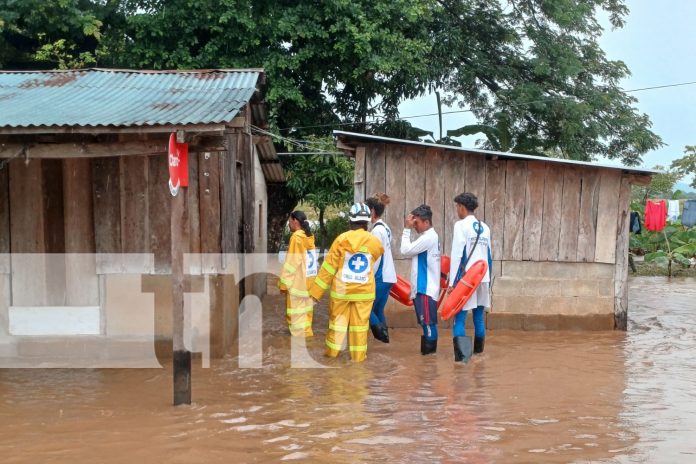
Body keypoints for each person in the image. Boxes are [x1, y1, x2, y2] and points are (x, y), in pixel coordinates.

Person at [309, 203, 384, 362]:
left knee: (337, 327)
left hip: (341, 293)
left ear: (350, 221)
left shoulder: (341, 240)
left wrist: (315, 295)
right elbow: (376, 257)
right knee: (359, 329)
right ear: (367, 221)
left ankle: (331, 358)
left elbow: (328, 269)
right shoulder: (374, 242)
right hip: (364, 293)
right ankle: (358, 362)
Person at [447, 193, 492, 362]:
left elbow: (457, 254)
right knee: (479, 317)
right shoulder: (485, 227)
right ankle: (479, 356)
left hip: (467, 280)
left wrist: (452, 283)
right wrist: (488, 279)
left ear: (461, 207)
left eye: (457, 207)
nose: (457, 211)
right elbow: (489, 256)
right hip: (483, 278)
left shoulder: (460, 225)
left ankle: (462, 362)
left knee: (460, 318)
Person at [400, 204, 441, 355]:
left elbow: (405, 250)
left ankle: (429, 365)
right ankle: (428, 366)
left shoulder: (428, 238)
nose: (414, 225)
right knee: (427, 324)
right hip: (425, 288)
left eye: (416, 222)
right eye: (413, 223)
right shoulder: (430, 237)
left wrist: (406, 229)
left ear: (426, 222)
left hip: (425, 289)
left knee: (428, 325)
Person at [278, 210, 317, 337]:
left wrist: (283, 285)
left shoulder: (296, 238)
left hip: (298, 284)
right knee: (306, 318)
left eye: (289, 221)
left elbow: (292, 263)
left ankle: (298, 349)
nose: (288, 224)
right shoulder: (309, 237)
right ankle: (307, 342)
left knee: (296, 319)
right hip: (309, 283)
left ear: (295, 221)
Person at [365, 193, 396, 343]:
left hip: (380, 276)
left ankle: (382, 336)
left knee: (365, 307)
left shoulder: (376, 231)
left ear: (371, 211)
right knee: (378, 310)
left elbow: (375, 257)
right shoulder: (386, 227)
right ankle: (385, 343)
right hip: (389, 275)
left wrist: (367, 276)